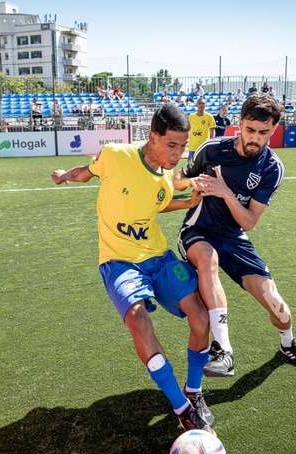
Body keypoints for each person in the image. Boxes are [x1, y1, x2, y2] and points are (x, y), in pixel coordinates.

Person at [49, 104, 214, 433]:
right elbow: (89, 171)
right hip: (118, 261)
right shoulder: (115, 155)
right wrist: (66, 176)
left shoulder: (168, 175)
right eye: (172, 145)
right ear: (153, 137)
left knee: (201, 315)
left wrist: (187, 202)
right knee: (138, 319)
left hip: (158, 256)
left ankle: (193, 393)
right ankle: (181, 408)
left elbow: (157, 202)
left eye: (183, 147)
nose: (179, 154)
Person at [174, 93, 296, 376]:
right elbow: (177, 179)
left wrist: (225, 193)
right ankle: (224, 351)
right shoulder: (211, 150)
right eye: (249, 130)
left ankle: (288, 344)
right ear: (239, 124)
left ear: (273, 130)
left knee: (278, 307)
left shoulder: (272, 168)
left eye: (263, 133)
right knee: (208, 259)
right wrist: (192, 182)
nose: (255, 138)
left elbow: (248, 222)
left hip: (234, 237)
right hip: (198, 230)